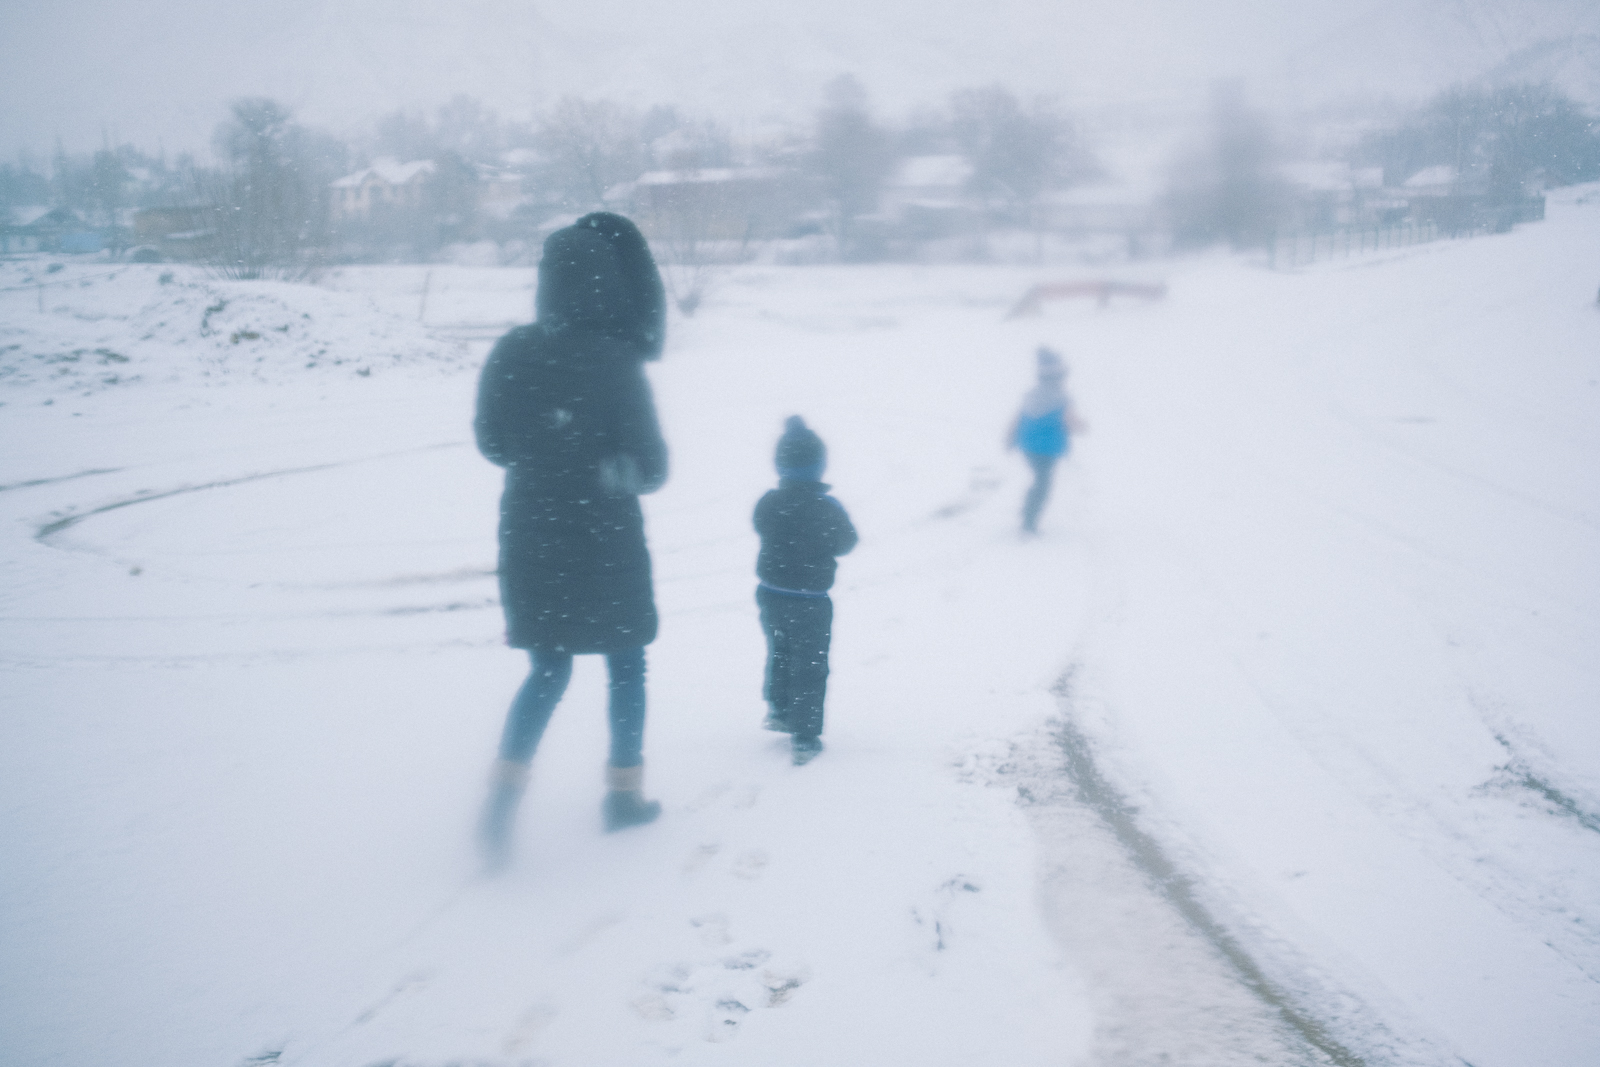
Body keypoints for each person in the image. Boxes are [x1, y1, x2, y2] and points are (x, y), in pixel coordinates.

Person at [473, 212, 669, 869]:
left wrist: (543, 456)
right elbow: (652, 464)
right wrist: (611, 469)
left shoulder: (511, 351)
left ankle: (499, 806)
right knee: (626, 663)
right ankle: (624, 795)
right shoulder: (615, 360)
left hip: (531, 533)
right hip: (605, 537)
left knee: (548, 669)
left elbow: (492, 443)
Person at [753, 416, 858, 766]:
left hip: (770, 594)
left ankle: (780, 709)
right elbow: (847, 542)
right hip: (810, 600)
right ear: (820, 466)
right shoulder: (827, 508)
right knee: (809, 665)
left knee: (780, 652)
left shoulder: (768, 503)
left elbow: (759, 523)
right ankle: (805, 736)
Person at [1006, 346, 1082, 534]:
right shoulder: (1064, 398)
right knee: (1043, 484)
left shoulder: (1031, 394)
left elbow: (1016, 418)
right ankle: (1028, 520)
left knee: (1039, 480)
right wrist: (1082, 426)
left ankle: (1027, 514)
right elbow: (1071, 423)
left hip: (1028, 446)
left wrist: (1010, 437)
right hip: (1047, 449)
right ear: (1059, 378)